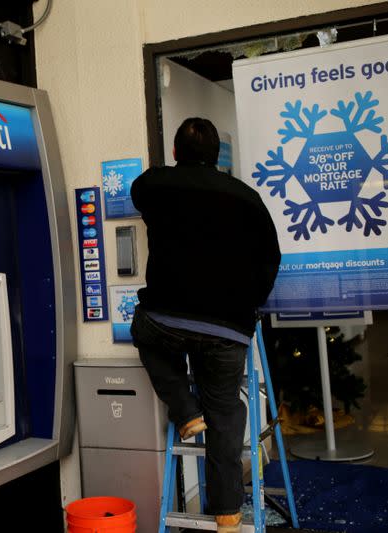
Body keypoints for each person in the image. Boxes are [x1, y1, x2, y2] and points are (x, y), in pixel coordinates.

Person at [130, 118, 281, 533]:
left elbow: (138, 190)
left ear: (175, 152)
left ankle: (184, 409)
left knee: (141, 332)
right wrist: (250, 303)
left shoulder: (155, 185)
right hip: (227, 328)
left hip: (166, 318)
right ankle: (228, 514)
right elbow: (271, 257)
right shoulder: (247, 198)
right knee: (226, 414)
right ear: (218, 157)